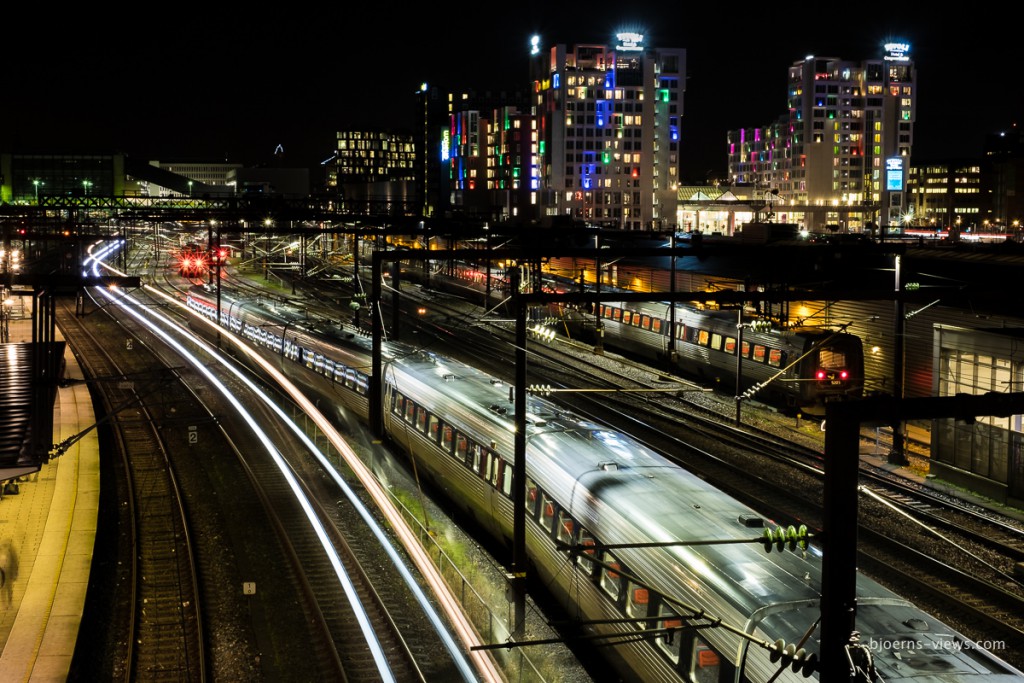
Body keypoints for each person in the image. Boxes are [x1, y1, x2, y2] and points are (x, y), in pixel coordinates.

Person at [0, 538, 19, 608]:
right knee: (4, 588)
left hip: (7, 573)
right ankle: (5, 603)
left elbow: (15, 563)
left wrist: (15, 573)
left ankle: (9, 602)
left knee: (8, 588)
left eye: (6, 545)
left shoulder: (11, 552)